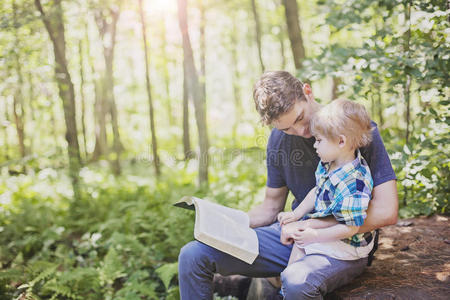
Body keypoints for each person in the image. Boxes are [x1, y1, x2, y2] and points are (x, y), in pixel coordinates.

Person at [178, 71, 398, 299]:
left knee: (296, 281)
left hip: (342, 243)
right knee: (193, 255)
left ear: (308, 92)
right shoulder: (277, 141)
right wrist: (229, 223)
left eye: (300, 118)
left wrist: (312, 227)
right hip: (292, 237)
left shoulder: (353, 128)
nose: (301, 132)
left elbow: (386, 211)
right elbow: (271, 207)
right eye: (286, 128)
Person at [277, 99, 376, 297]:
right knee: (300, 243)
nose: (314, 145)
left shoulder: (354, 183)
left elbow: (350, 228)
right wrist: (296, 214)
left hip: (350, 244)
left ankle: (287, 290)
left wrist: (315, 236)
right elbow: (318, 190)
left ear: (341, 141)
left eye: (319, 140)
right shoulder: (329, 163)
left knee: (304, 243)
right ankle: (285, 290)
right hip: (330, 228)